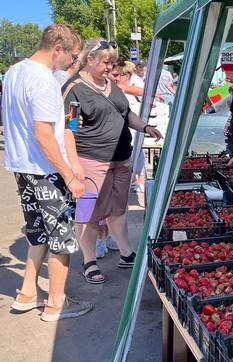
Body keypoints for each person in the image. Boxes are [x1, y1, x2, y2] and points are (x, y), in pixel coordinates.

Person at [2, 24, 93, 321]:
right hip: (46, 171)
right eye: (73, 55)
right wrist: (68, 174)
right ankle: (56, 304)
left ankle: (28, 292)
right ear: (58, 49)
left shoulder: (15, 72)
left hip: (22, 168)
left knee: (38, 234)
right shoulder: (42, 81)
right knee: (62, 239)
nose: (72, 61)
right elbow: (43, 135)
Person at [62, 38, 163, 284]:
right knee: (88, 213)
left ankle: (126, 253)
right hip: (91, 162)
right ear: (90, 60)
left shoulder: (111, 85)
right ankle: (89, 260)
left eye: (112, 63)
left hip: (121, 158)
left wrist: (145, 126)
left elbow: (126, 113)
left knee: (119, 208)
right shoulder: (75, 88)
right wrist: (74, 165)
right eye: (106, 63)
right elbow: (68, 128)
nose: (110, 68)